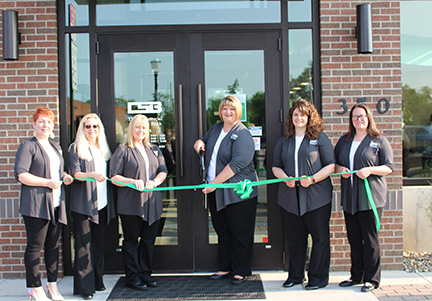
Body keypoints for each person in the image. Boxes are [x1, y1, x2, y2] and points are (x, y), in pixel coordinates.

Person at [193, 95, 258, 285]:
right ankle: (225, 267)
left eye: (232, 109)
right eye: (224, 109)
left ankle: (240, 271)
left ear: (238, 112)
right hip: (217, 193)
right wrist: (200, 143)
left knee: (240, 232)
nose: (228, 112)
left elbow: (237, 164)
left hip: (238, 193)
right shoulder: (215, 129)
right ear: (220, 111)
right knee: (223, 230)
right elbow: (204, 142)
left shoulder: (243, 134)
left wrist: (214, 184)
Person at [272, 99, 335, 290]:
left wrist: (313, 179)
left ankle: (317, 278)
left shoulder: (319, 138)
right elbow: (275, 166)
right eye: (295, 114)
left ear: (309, 117)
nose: (299, 118)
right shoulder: (284, 140)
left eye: (303, 114)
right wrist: (285, 178)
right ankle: (295, 276)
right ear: (291, 118)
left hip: (317, 198)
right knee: (295, 239)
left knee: (320, 239)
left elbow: (331, 165)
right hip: (290, 198)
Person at [14, 107, 73, 301]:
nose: (45, 125)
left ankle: (52, 287)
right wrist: (47, 182)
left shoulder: (56, 147)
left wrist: (64, 176)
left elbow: (58, 171)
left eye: (48, 121)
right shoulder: (27, 146)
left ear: (53, 125)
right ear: (34, 124)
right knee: (34, 247)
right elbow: (21, 175)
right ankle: (35, 289)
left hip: (56, 205)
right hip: (36, 206)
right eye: (41, 121)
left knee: (52, 247)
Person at [335, 103, 394, 292]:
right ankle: (356, 276)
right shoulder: (344, 141)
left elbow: (389, 167)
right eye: (354, 117)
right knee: (354, 239)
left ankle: (372, 279)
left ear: (368, 118)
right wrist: (340, 170)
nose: (358, 119)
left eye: (361, 116)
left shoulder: (379, 140)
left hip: (370, 199)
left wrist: (370, 170)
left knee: (370, 240)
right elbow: (334, 164)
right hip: (350, 198)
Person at [110, 114, 167, 291]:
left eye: (143, 128)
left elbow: (163, 170)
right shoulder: (123, 149)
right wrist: (132, 181)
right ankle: (132, 277)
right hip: (131, 205)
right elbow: (114, 177)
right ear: (131, 129)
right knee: (131, 241)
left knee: (149, 240)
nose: (140, 131)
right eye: (137, 127)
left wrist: (155, 181)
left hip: (152, 203)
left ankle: (145, 274)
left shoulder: (154, 149)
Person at [69, 113, 116, 300]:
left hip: (102, 203)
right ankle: (85, 287)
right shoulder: (76, 148)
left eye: (95, 126)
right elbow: (75, 174)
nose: (91, 130)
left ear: (100, 129)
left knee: (98, 245)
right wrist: (92, 175)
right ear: (82, 128)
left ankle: (97, 280)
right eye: (88, 126)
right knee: (83, 246)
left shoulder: (103, 149)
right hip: (83, 205)